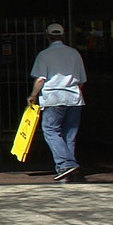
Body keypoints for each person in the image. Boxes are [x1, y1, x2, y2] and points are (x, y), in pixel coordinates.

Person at [27, 23, 86, 181]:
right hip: (74, 98)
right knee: (69, 134)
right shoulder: (74, 54)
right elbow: (81, 81)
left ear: (47, 36)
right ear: (63, 36)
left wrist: (33, 95)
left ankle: (65, 164)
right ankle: (69, 167)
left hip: (53, 98)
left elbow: (40, 79)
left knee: (51, 131)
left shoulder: (44, 55)